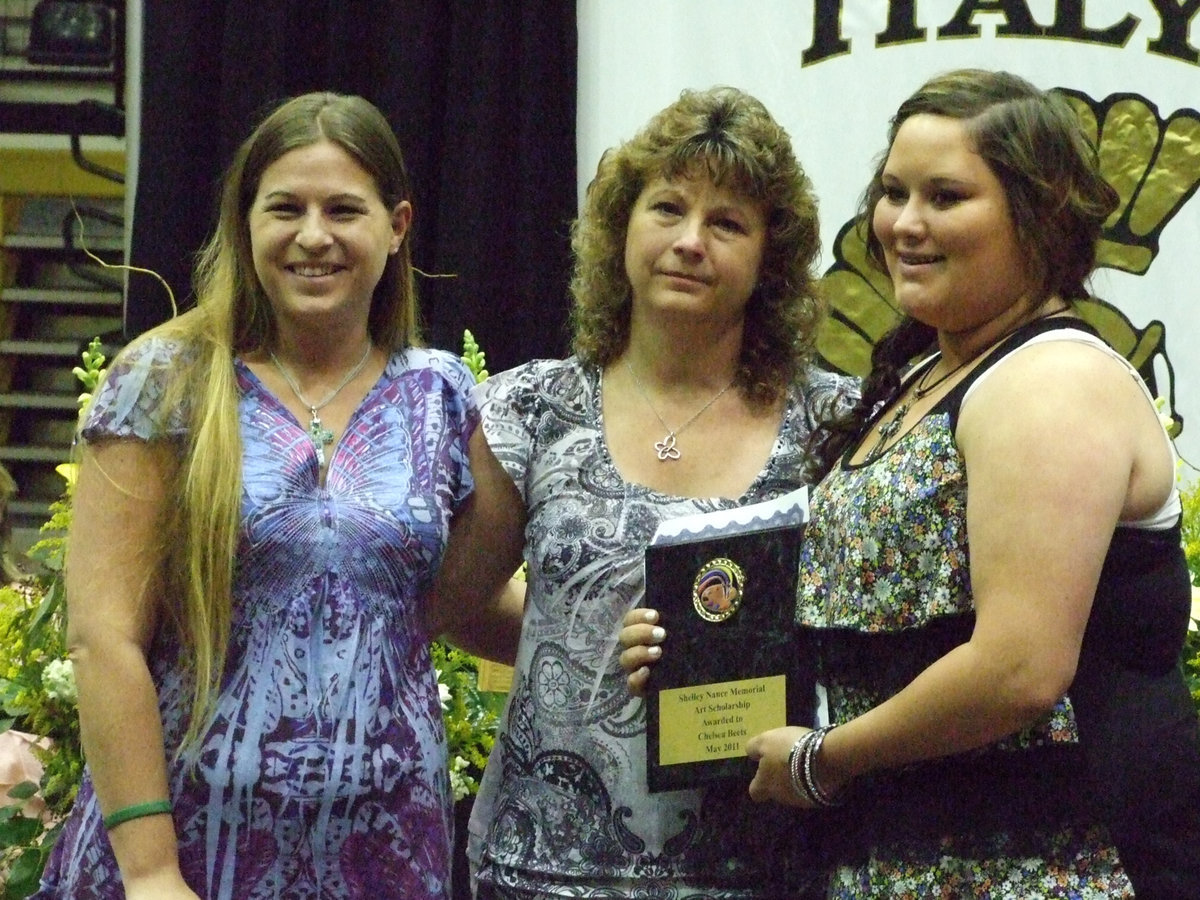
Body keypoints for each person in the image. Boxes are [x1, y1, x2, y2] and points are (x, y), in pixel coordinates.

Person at [623, 69, 1200, 898]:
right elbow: (887, 627)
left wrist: (825, 762)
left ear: (1036, 217)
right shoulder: (926, 372)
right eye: (893, 192)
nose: (904, 224)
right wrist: (698, 648)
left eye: (946, 196)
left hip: (1053, 865)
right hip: (901, 858)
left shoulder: (1052, 383)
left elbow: (1017, 672)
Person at [34, 91, 523, 900]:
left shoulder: (441, 395)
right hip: (187, 853)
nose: (313, 235)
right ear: (246, 223)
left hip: (390, 856)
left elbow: (447, 603)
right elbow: (102, 638)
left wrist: (602, 640)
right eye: (285, 208)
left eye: (344, 209)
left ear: (397, 227)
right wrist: (151, 871)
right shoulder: (167, 381)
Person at [447, 86, 857, 899]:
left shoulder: (834, 424)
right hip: (543, 869)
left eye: (728, 223)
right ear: (621, 228)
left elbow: (866, 642)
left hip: (769, 872)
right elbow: (456, 602)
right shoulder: (533, 407)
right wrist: (580, 643)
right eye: (667, 208)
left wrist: (727, 666)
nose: (690, 242)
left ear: (771, 260)